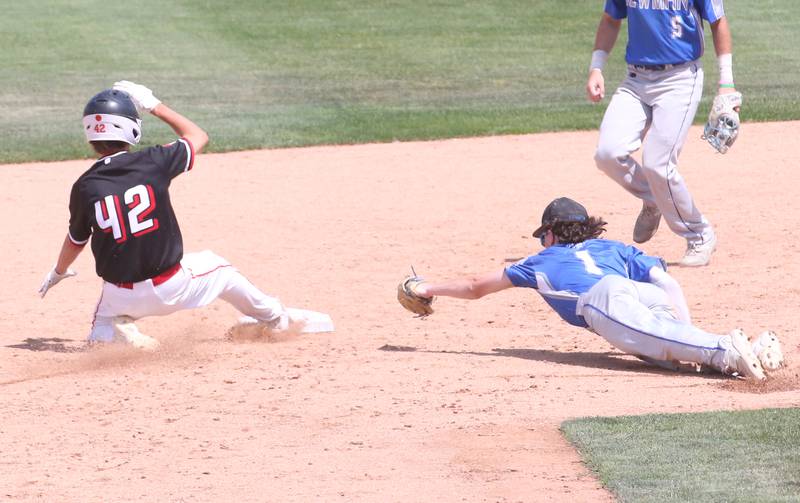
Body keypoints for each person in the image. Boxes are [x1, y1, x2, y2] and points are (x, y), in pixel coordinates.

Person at [38, 81, 332, 349]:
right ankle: (275, 319)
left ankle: (112, 336)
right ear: (132, 129)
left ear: (90, 134)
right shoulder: (154, 161)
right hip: (172, 286)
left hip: (122, 296)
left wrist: (59, 271)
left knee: (102, 323)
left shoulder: (84, 186)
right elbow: (198, 136)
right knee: (220, 269)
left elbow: (76, 239)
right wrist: (154, 104)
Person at [405, 197, 783, 380]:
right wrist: (689, 326)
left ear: (551, 233)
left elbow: (474, 287)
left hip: (603, 300)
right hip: (641, 295)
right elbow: (667, 282)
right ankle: (740, 353)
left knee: (658, 337)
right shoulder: (613, 247)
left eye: (544, 236)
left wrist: (428, 287)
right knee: (660, 348)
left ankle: (724, 349)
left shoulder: (538, 261)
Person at [586, 0, 740, 267]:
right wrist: (596, 67)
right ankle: (653, 199)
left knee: (658, 164)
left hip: (680, 79)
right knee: (607, 154)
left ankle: (699, 235)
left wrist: (726, 83)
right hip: (635, 80)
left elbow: (718, 21)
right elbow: (611, 19)